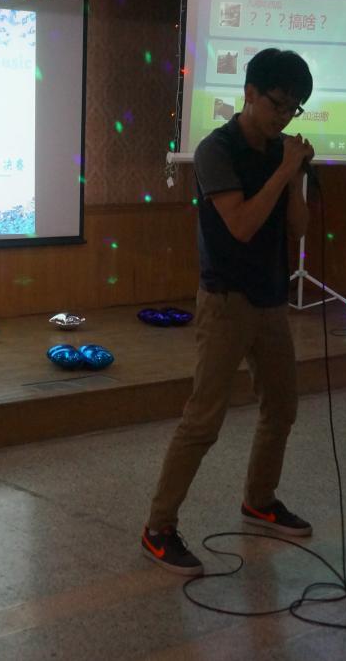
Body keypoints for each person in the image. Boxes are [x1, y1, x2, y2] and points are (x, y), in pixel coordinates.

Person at [141, 47, 315, 575]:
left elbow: (297, 230)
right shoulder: (216, 149)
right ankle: (157, 528)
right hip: (225, 302)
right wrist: (284, 171)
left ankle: (259, 500)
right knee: (203, 421)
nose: (283, 116)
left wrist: (296, 176)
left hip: (271, 300)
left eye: (293, 108)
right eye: (277, 104)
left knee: (281, 408)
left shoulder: (282, 155)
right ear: (249, 93)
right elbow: (240, 224)